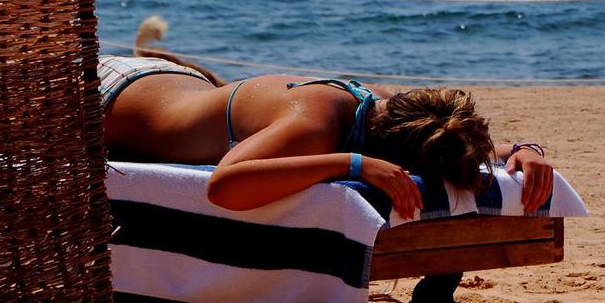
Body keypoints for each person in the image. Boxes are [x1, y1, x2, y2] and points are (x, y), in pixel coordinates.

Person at [98, 51, 554, 218]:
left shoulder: (383, 109)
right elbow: (223, 186)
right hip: (104, 93)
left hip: (165, 81)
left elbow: (440, 140)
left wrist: (521, 149)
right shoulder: (313, 128)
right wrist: (350, 165)